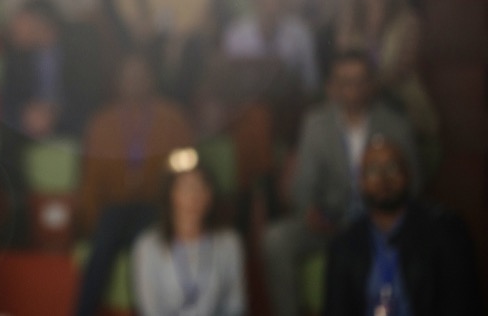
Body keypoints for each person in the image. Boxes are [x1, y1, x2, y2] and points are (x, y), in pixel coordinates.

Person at [264, 50, 420, 316]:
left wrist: (386, 214)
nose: (353, 90)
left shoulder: (396, 125)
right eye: (345, 82)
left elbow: (414, 184)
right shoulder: (316, 124)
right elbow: (303, 186)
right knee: (276, 239)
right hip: (333, 224)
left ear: (371, 84)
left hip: (381, 223)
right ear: (333, 87)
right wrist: (310, 212)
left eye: (360, 81)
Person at [74, 54, 194, 316]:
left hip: (156, 206)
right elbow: (90, 180)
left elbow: (186, 172)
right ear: (118, 83)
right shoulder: (101, 122)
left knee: (146, 253)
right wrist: (91, 220)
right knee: (101, 248)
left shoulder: (173, 118)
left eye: (141, 76)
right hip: (115, 208)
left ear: (151, 80)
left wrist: (178, 214)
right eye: (128, 77)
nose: (134, 82)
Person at [326, 139, 482, 315]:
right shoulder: (344, 244)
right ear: (360, 182)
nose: (384, 178)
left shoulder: (446, 232)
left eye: (392, 167)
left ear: (407, 174)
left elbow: (462, 305)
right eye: (372, 171)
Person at [336, 0, 438, 173]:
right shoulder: (349, 21)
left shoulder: (408, 20)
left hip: (399, 94)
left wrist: (369, 88)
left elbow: (402, 68)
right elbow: (343, 61)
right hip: (357, 92)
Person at [132, 151, 246, 316]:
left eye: (200, 187)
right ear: (170, 195)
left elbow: (235, 305)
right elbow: (150, 310)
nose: (193, 196)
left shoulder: (229, 243)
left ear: (210, 195)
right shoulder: (148, 246)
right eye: (185, 187)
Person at [223, 0, 321, 94]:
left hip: (288, 102)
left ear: (283, 2)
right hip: (246, 101)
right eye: (264, 1)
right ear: (255, 2)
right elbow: (228, 80)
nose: (270, 8)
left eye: (275, 1)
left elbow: (310, 80)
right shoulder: (236, 33)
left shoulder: (300, 34)